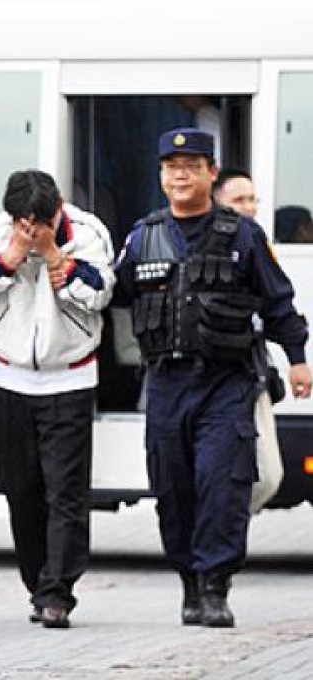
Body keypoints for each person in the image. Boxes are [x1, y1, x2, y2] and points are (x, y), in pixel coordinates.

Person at [113, 127, 312, 628]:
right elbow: (111, 297)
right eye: (171, 166)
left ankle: (215, 583)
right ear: (161, 176)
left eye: (192, 165)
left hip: (226, 382)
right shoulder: (143, 236)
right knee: (173, 489)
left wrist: (296, 358)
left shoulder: (242, 235)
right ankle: (188, 582)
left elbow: (279, 301)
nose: (181, 174)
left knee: (222, 485)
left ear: (210, 173)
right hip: (164, 382)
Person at [0, 170, 115, 629]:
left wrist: (52, 254)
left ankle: (58, 592)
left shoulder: (86, 233)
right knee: (21, 490)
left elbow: (99, 294)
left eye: (39, 221)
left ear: (58, 208)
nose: (29, 229)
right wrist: (10, 257)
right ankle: (37, 583)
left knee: (65, 492)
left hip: (69, 379)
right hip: (10, 379)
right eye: (22, 221)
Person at [212, 169, 285, 513]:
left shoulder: (255, 242)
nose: (250, 207)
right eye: (239, 200)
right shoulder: (206, 244)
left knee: (269, 475)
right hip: (210, 375)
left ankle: (222, 527)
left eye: (253, 199)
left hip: (249, 371)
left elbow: (278, 304)